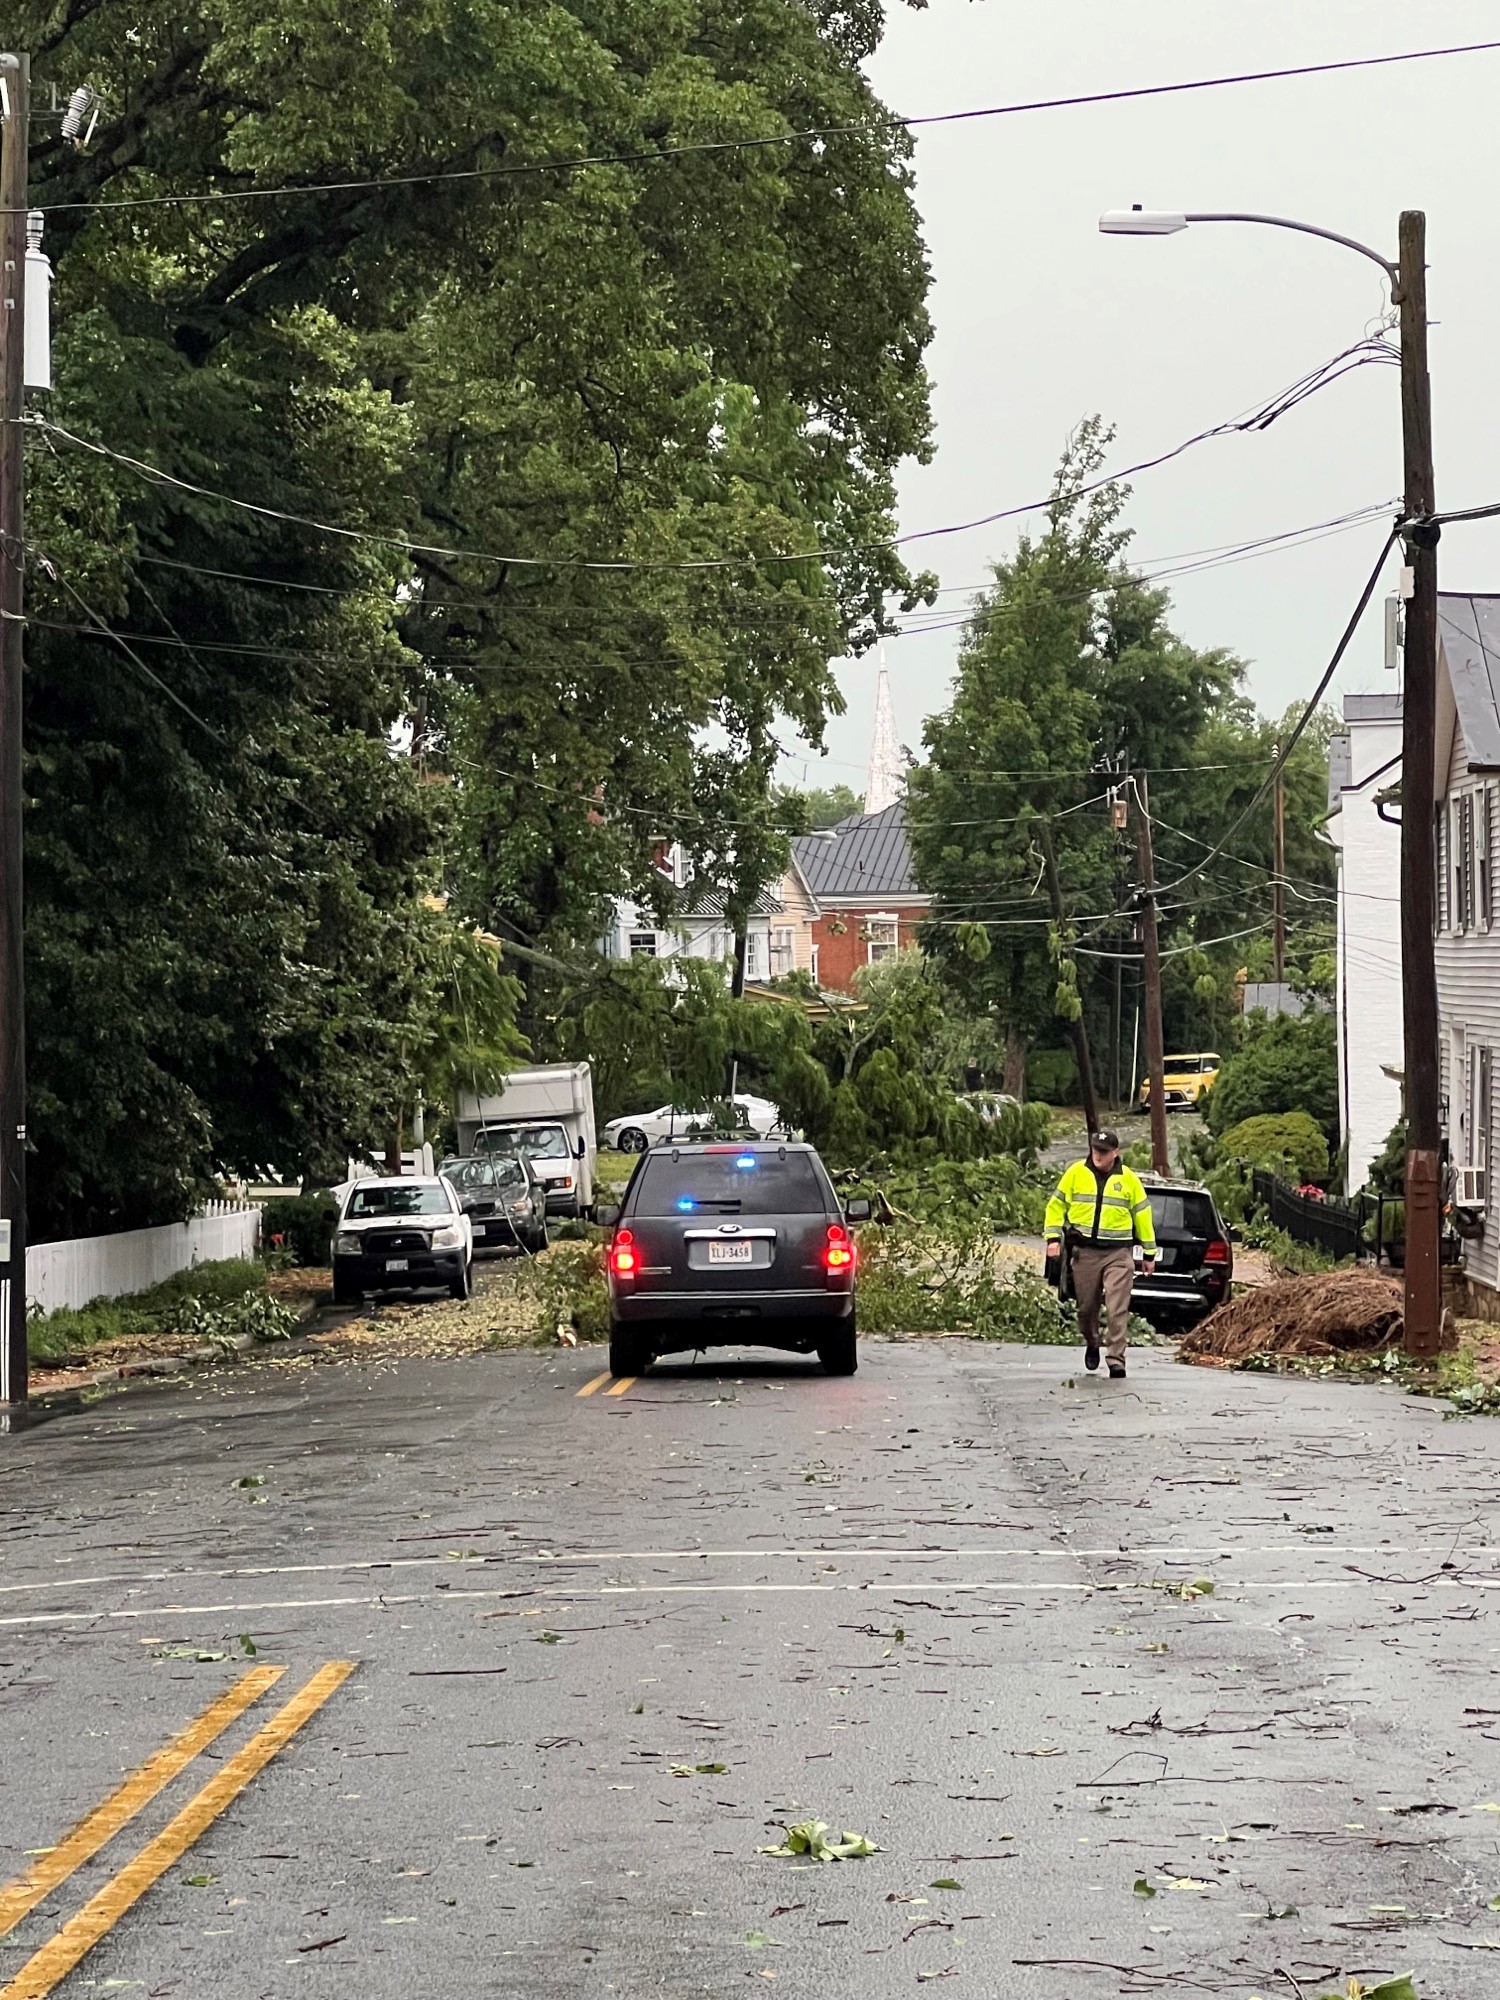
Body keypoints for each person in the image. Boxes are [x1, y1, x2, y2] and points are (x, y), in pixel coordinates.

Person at [1044, 1129, 1157, 1379]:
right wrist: (1053, 1238)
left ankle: (1116, 1359)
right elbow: (1056, 1205)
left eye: (1104, 1151)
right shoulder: (1076, 1173)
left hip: (1118, 1254)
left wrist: (1149, 1254)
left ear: (1115, 1153)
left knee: (1117, 1307)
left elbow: (1143, 1216)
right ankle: (1092, 1341)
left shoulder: (1129, 1180)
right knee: (1086, 1309)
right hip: (1085, 1253)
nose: (1098, 1154)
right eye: (1095, 1149)